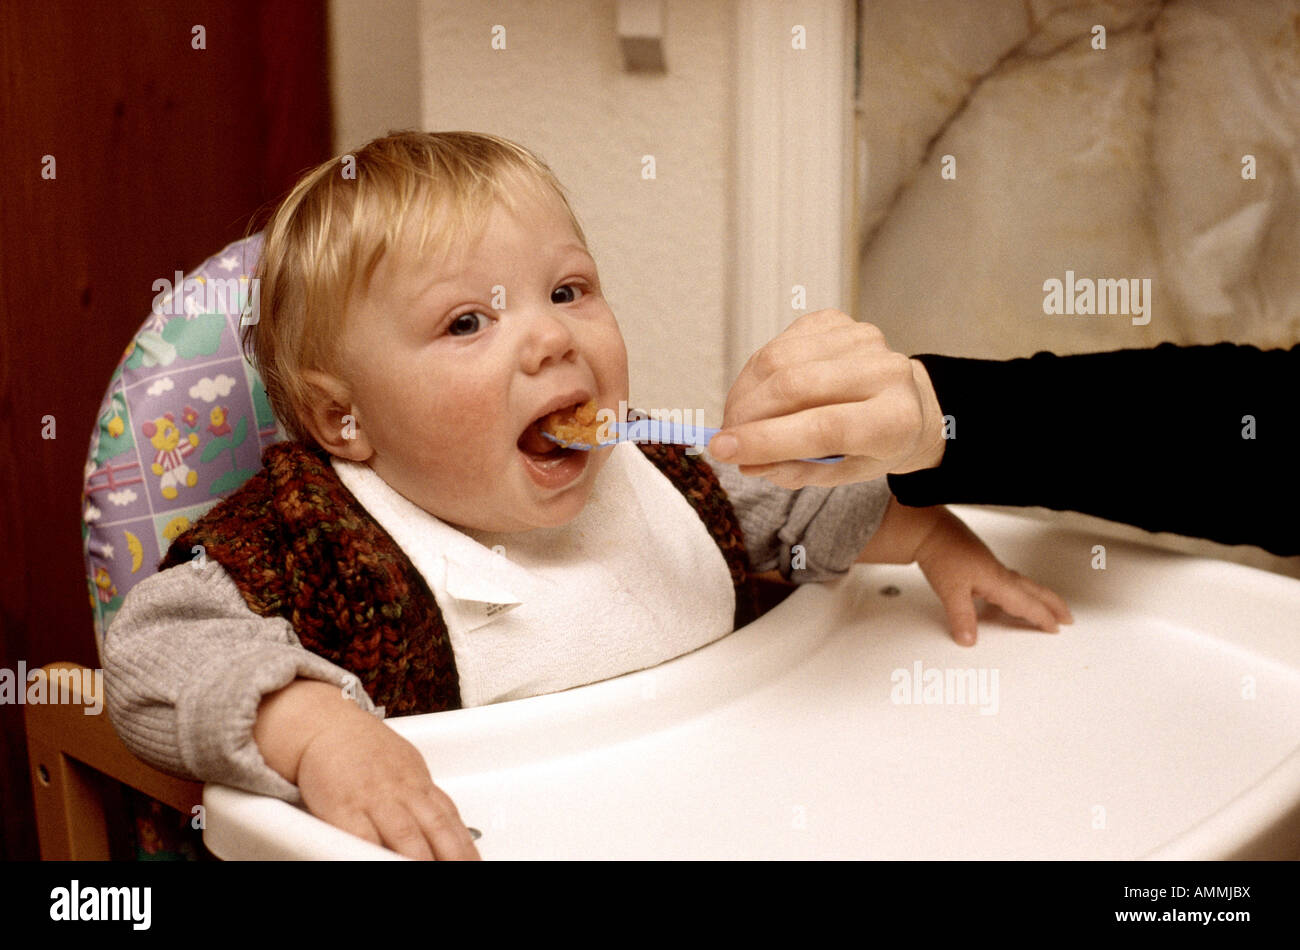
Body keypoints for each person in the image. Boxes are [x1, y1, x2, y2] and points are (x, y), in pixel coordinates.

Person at [102, 132, 1071, 862]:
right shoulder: (310, 539)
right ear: (345, 417)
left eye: (567, 290)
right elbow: (151, 657)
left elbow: (804, 511)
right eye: (468, 320)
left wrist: (935, 536)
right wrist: (320, 734)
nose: (551, 338)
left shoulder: (669, 472)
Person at [711, 311, 1299, 558]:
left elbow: (794, 515)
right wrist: (942, 413)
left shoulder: (679, 483)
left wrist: (935, 545)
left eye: (609, 292)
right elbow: (1264, 426)